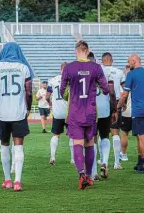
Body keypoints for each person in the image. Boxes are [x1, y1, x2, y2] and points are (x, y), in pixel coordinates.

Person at [59, 41, 113, 190]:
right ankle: (88, 176)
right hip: (90, 112)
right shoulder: (96, 67)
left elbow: (62, 91)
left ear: (76, 51)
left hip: (75, 112)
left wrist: (70, 95)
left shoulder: (69, 68)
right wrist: (96, 87)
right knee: (90, 144)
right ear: (88, 51)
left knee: (77, 143)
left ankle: (81, 174)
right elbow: (105, 89)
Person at [0, 42, 34, 192]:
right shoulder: (24, 68)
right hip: (18, 112)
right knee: (18, 146)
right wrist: (28, 108)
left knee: (4, 145)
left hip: (3, 113)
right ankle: (18, 181)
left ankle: (7, 180)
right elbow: (29, 92)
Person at [117, 54, 144, 174]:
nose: (128, 64)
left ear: (134, 61)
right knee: (140, 136)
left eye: (129, 62)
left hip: (138, 110)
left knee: (141, 136)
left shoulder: (131, 74)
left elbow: (125, 94)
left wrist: (118, 106)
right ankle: (139, 162)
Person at [100, 52, 125, 170]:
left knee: (102, 133)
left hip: (101, 103)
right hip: (115, 103)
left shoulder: (98, 70)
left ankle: (102, 160)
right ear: (112, 60)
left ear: (102, 60)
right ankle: (116, 162)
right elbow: (125, 89)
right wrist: (123, 103)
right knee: (115, 133)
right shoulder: (120, 72)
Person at [45, 62, 72, 165]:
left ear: (60, 69)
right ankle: (73, 159)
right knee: (72, 136)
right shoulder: (72, 80)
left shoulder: (52, 80)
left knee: (56, 135)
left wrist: (50, 103)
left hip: (57, 112)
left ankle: (52, 157)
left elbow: (47, 96)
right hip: (69, 112)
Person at [119, 65, 132, 166]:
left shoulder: (125, 82)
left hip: (126, 112)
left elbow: (123, 96)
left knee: (124, 133)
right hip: (138, 112)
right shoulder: (138, 81)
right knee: (141, 136)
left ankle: (123, 154)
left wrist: (118, 106)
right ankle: (142, 156)